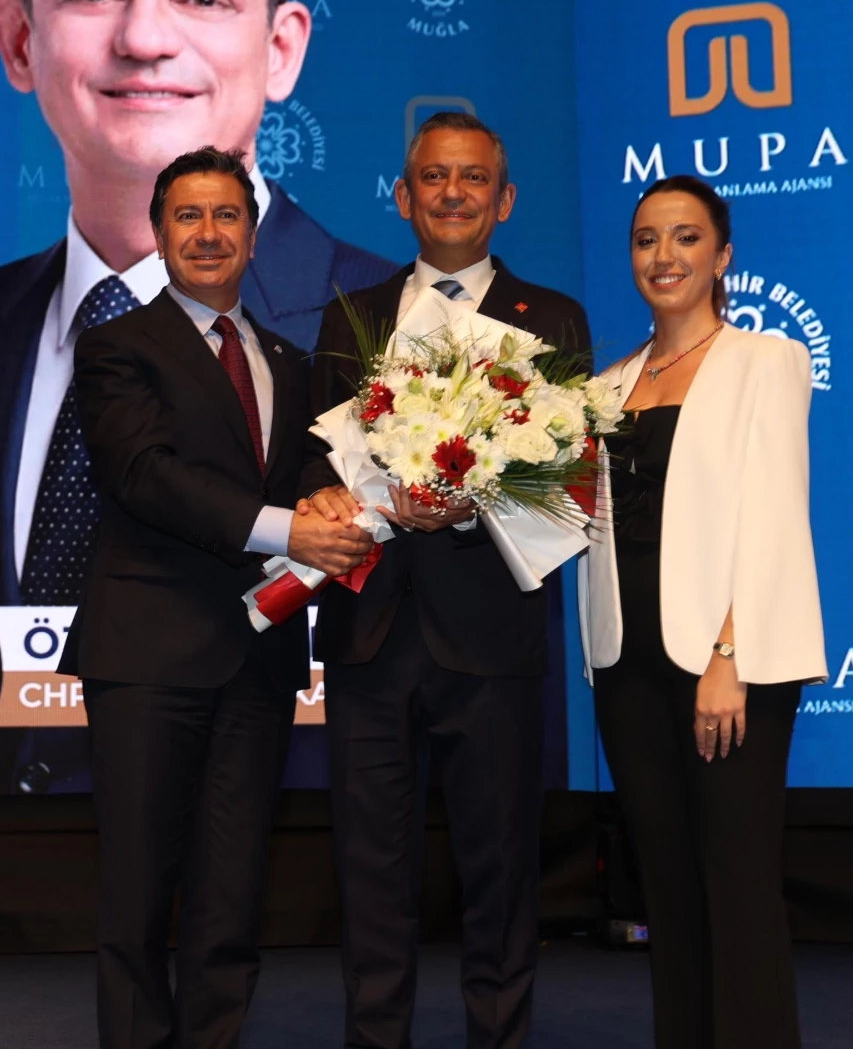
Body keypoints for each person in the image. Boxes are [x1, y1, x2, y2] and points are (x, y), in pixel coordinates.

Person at [0, 0, 396, 803]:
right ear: (18, 38)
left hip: (283, 858)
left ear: (280, 48)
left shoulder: (394, 328)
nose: (144, 38)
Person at [60, 146, 374, 1049]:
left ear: (254, 234)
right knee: (137, 892)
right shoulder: (116, 345)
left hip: (257, 661)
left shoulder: (287, 358)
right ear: (159, 235)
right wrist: (287, 530)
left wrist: (328, 499)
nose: (208, 233)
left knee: (232, 894)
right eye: (188, 216)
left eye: (226, 215)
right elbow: (144, 475)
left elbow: (305, 472)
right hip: (147, 657)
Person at [301, 112, 591, 1049]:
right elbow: (313, 462)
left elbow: (570, 481)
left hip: (492, 637)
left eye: (472, 178)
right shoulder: (350, 317)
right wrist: (334, 496)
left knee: (499, 868)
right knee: (369, 872)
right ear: (402, 196)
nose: (452, 193)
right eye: (433, 176)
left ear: (503, 200)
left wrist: (469, 503)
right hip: (371, 635)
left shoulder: (551, 319)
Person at [577, 175, 827, 1049]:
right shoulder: (604, 387)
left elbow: (774, 514)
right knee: (669, 890)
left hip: (726, 663)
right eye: (646, 238)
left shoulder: (765, 360)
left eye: (685, 237)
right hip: (626, 662)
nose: (663, 255)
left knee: (738, 883)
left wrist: (730, 654)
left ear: (722, 256)